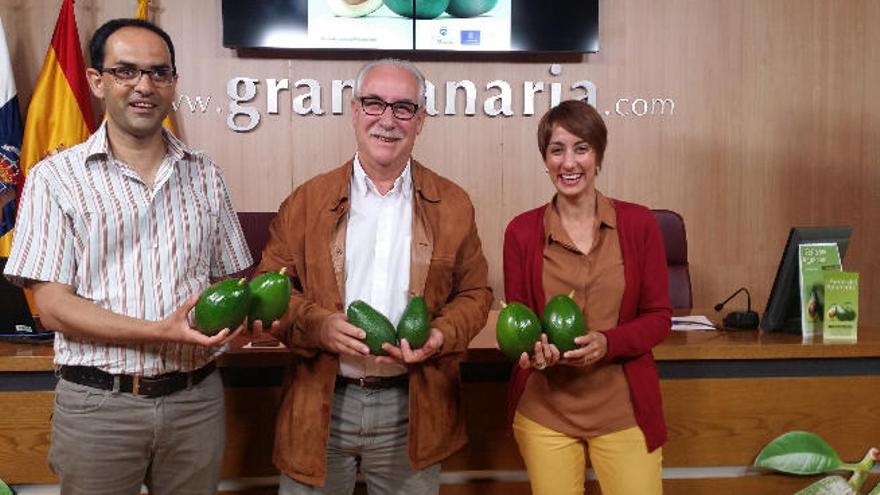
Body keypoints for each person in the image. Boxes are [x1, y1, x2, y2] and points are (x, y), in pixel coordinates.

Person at [3, 18, 252, 494]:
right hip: (100, 406)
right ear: (97, 81)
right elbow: (52, 307)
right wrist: (159, 332)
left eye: (159, 73)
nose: (144, 86)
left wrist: (245, 318)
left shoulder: (206, 177)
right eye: (126, 72)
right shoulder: (55, 178)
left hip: (195, 401)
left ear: (174, 82)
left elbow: (227, 284)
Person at [251, 58, 493, 494]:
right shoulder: (306, 201)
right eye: (374, 103)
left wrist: (439, 334)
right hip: (321, 403)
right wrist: (318, 324)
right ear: (354, 110)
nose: (387, 119)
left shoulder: (453, 204)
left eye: (403, 108)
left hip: (413, 408)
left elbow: (475, 294)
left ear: (420, 121)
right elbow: (270, 290)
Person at [503, 99, 671, 495]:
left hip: (623, 410)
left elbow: (659, 316)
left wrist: (607, 343)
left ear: (598, 156)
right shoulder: (521, 232)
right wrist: (534, 352)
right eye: (557, 150)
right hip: (547, 411)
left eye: (581, 148)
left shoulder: (639, 223)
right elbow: (520, 323)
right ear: (545, 160)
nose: (569, 162)